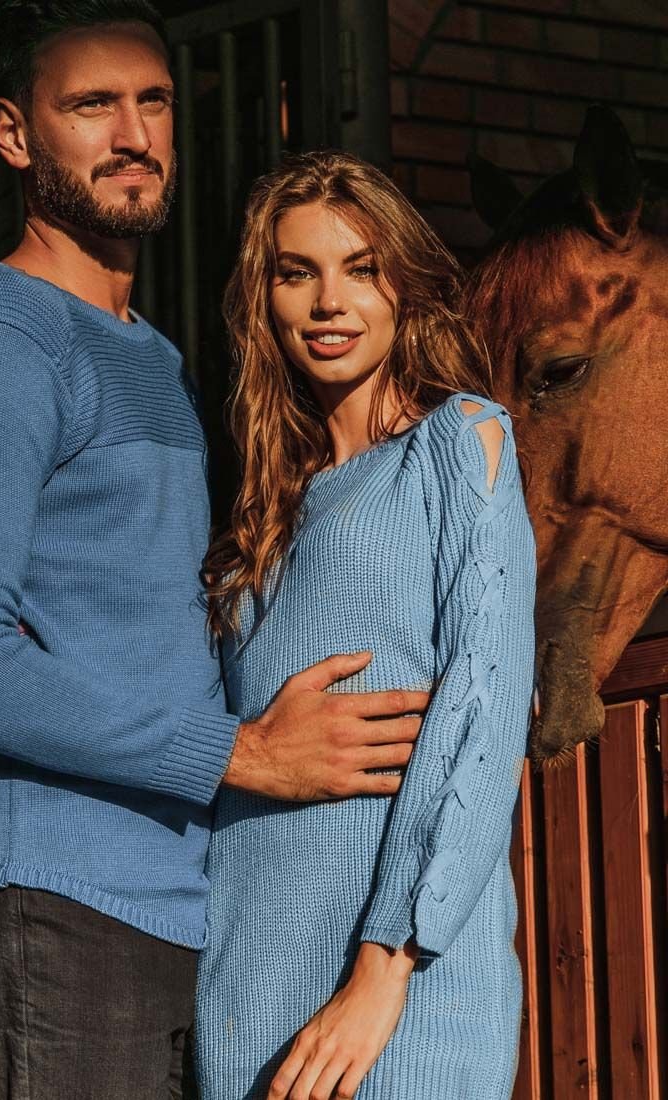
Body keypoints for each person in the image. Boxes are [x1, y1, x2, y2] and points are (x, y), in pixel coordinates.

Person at [0, 7, 427, 1100]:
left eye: (153, 102)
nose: (133, 134)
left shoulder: (156, 358)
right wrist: (240, 754)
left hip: (181, 905)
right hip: (56, 896)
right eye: (92, 105)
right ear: (13, 133)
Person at [196, 151, 537, 1100]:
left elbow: (481, 709)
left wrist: (386, 968)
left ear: (404, 287)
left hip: (404, 988)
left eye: (360, 268)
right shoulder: (254, 527)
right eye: (296, 272)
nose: (328, 302)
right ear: (265, 300)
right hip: (244, 989)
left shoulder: (460, 440)